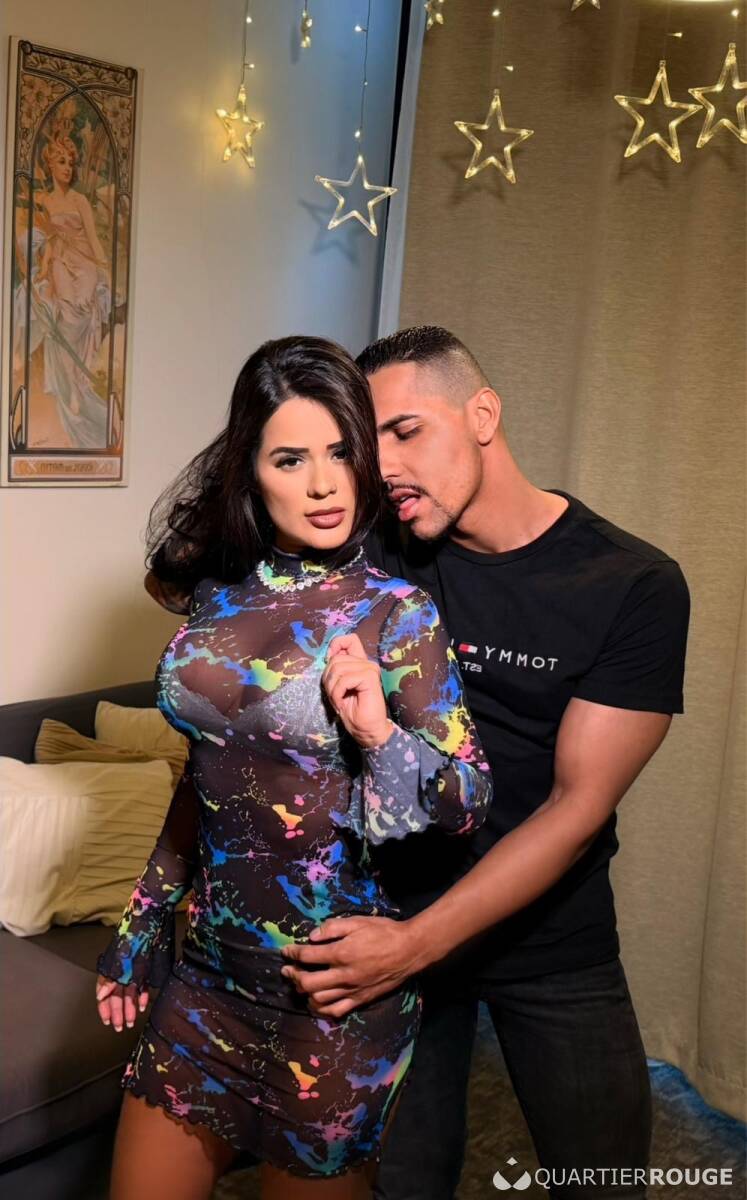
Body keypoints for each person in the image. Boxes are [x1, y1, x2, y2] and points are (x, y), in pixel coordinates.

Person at [279, 326, 691, 1200]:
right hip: (393, 914)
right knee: (404, 1182)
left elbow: (576, 807)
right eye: (369, 447)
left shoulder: (630, 585)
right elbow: (192, 570)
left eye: (406, 431)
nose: (386, 468)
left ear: (481, 414)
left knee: (602, 1180)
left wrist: (414, 946)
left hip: (549, 939)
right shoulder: (379, 551)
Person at [94, 335, 492, 1200]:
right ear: (251, 469)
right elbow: (206, 779)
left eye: (341, 452)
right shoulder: (215, 597)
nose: (322, 484)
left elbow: (467, 801)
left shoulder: (396, 613)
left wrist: (378, 731)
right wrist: (141, 925)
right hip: (205, 978)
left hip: (331, 1002)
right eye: (289, 458)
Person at [14, 107, 111, 449]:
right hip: (59, 261)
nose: (67, 167)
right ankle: (69, 386)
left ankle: (79, 387)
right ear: (51, 166)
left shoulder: (80, 200)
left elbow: (95, 240)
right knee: (64, 322)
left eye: (70, 162)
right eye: (61, 162)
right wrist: (41, 268)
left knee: (81, 316)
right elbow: (41, 241)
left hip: (84, 263)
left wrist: (103, 272)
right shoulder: (45, 201)